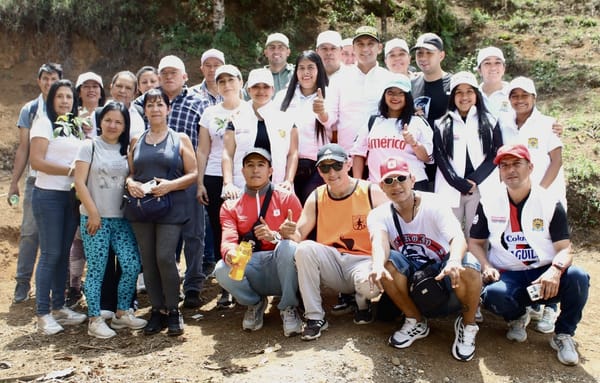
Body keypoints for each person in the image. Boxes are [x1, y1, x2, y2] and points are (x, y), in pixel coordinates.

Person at [469, 144, 590, 366]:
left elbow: (565, 248)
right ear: (499, 172)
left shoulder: (549, 201)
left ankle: (563, 334)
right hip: (510, 274)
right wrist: (486, 265)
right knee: (494, 295)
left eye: (517, 164)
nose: (510, 170)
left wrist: (555, 271)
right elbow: (475, 243)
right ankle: (517, 315)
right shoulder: (488, 200)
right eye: (504, 166)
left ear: (531, 167)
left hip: (544, 275)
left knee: (578, 278)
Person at [368, 156, 482, 361]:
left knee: (470, 265)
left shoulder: (434, 203)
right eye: (389, 181)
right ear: (382, 187)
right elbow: (380, 241)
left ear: (412, 179)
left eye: (401, 178)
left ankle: (468, 324)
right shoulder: (378, 214)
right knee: (386, 263)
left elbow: (457, 237)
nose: (396, 185)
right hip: (414, 275)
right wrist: (376, 264)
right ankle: (415, 320)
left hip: (444, 272)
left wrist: (454, 261)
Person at [290, 143, 389, 340]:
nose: (331, 172)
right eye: (325, 167)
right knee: (303, 249)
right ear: (319, 170)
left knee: (369, 287)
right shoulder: (317, 195)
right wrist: (286, 233)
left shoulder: (371, 191)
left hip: (364, 261)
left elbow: (392, 228)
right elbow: (298, 235)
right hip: (333, 262)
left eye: (336, 165)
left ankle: (362, 302)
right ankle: (315, 317)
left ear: (348, 164)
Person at [125, 88, 198, 336]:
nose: (155, 109)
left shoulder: (180, 139)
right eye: (150, 105)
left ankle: (173, 309)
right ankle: (157, 311)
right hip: (142, 208)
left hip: (171, 207)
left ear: (168, 109)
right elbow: (131, 172)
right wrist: (130, 183)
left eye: (160, 104)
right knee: (148, 260)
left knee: (165, 257)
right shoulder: (136, 140)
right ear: (144, 110)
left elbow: (193, 173)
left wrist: (170, 186)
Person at [74, 101, 147, 338]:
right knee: (96, 269)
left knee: (131, 265)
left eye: (118, 121)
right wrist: (93, 213)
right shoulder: (89, 147)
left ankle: (121, 313)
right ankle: (94, 319)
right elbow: (79, 183)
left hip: (121, 219)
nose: (113, 125)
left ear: (125, 125)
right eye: (108, 120)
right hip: (95, 219)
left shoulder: (126, 150)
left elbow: (131, 177)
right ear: (100, 122)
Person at [215, 148, 303, 336]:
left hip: (281, 265)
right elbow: (228, 239)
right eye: (250, 165)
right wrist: (230, 252)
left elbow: (302, 239)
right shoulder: (230, 205)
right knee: (221, 268)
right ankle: (254, 303)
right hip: (251, 264)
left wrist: (279, 236)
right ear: (242, 171)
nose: (255, 170)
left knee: (290, 247)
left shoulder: (287, 198)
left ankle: (288, 306)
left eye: (261, 165)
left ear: (270, 171)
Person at [29, 79, 88, 335]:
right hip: (48, 196)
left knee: (63, 253)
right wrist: (71, 171)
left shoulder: (74, 127)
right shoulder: (44, 122)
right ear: (51, 99)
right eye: (60, 96)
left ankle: (59, 307)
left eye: (69, 97)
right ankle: (43, 314)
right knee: (51, 254)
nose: (65, 101)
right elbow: (37, 161)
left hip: (69, 198)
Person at [154, 55, 206, 308]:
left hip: (191, 177)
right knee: (166, 238)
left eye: (174, 72)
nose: (168, 76)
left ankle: (194, 285)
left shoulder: (199, 103)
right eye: (164, 72)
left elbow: (207, 143)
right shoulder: (150, 102)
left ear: (185, 76)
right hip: (157, 182)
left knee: (194, 235)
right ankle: (168, 285)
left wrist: (202, 180)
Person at [9, 62, 62, 304]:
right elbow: (23, 149)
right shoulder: (30, 110)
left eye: (54, 79)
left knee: (60, 236)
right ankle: (22, 283)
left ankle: (57, 287)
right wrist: (14, 183)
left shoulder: (67, 107)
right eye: (45, 79)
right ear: (38, 81)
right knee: (30, 232)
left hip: (64, 182)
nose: (49, 83)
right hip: (35, 181)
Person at [196, 62, 244, 306]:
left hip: (244, 176)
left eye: (231, 80)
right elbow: (203, 150)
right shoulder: (210, 113)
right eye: (221, 81)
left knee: (245, 229)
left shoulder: (250, 110)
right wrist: (200, 182)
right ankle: (226, 283)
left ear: (240, 82)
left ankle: (245, 280)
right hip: (214, 178)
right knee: (220, 230)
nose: (226, 85)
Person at [433, 71, 503, 238]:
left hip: (481, 188)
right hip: (450, 187)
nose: (464, 97)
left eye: (469, 91)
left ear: (476, 95)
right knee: (449, 235)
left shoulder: (490, 120)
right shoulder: (441, 123)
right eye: (459, 92)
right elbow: (440, 156)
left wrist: (474, 180)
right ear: (452, 97)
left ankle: (477, 265)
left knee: (477, 235)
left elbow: (496, 154)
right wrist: (456, 182)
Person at [221, 67, 297, 198]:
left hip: (278, 188)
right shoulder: (236, 119)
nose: (261, 91)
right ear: (248, 90)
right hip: (241, 188)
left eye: (266, 87)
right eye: (256, 86)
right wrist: (228, 183)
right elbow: (228, 154)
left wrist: (288, 181)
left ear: (273, 90)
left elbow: (292, 153)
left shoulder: (287, 120)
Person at [67, 71, 107, 307]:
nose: (91, 90)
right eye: (86, 86)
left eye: (96, 86)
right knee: (77, 239)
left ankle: (98, 287)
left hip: (101, 186)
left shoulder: (106, 116)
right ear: (79, 91)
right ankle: (73, 285)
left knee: (96, 238)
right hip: (75, 186)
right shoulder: (71, 120)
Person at [351, 75, 432, 189]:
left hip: (412, 186)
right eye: (391, 92)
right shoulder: (372, 122)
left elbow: (428, 158)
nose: (395, 97)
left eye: (401, 93)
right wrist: (358, 185)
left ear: (407, 96)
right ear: (384, 95)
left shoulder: (417, 122)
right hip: (378, 187)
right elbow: (359, 154)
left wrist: (414, 144)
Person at [499, 77, 566, 209]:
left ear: (534, 98)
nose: (520, 100)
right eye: (515, 96)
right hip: (516, 198)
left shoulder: (548, 124)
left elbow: (556, 161)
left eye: (525, 95)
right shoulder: (505, 127)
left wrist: (539, 192)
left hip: (548, 195)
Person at [324, 26, 392, 153]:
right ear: (353, 48)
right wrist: (321, 113)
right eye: (360, 44)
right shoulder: (339, 79)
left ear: (379, 48)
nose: (365, 49)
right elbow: (330, 119)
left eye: (370, 44)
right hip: (348, 153)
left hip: (380, 154)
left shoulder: (389, 79)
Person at [277, 51, 329, 204]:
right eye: (301, 68)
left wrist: (322, 112)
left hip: (317, 167)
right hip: (287, 166)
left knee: (313, 210)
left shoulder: (328, 94)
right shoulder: (283, 96)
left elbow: (330, 121)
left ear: (319, 70)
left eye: (311, 67)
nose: (306, 72)